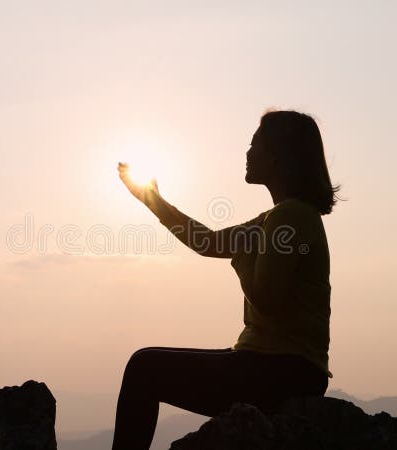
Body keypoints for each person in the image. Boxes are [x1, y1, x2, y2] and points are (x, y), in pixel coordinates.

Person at [112, 110, 341, 450]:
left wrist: (242, 258)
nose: (248, 152)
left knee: (144, 368)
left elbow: (266, 298)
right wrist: (152, 200)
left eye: (255, 144)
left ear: (279, 156)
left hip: (281, 370)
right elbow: (207, 242)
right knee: (146, 366)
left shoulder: (290, 215)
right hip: (278, 365)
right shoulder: (279, 216)